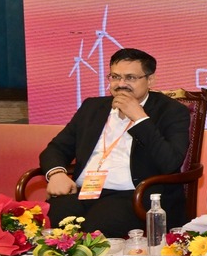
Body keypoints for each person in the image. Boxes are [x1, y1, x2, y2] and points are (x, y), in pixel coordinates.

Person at [40, 48, 191, 238]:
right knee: (51, 227)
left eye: (130, 78)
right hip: (83, 192)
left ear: (150, 80)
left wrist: (140, 119)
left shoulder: (171, 111)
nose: (121, 84)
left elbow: (170, 162)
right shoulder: (92, 107)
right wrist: (56, 173)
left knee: (95, 233)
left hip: (132, 195)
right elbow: (56, 148)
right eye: (115, 77)